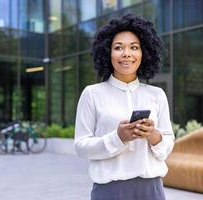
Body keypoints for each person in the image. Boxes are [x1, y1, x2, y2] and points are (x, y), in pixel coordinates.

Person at [74, 13, 174, 200]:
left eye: (134, 47)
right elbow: (81, 146)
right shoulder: (92, 94)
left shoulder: (156, 94)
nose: (126, 53)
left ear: (144, 53)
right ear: (107, 53)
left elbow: (168, 144)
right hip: (109, 191)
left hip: (151, 189)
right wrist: (117, 138)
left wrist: (153, 135)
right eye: (118, 47)